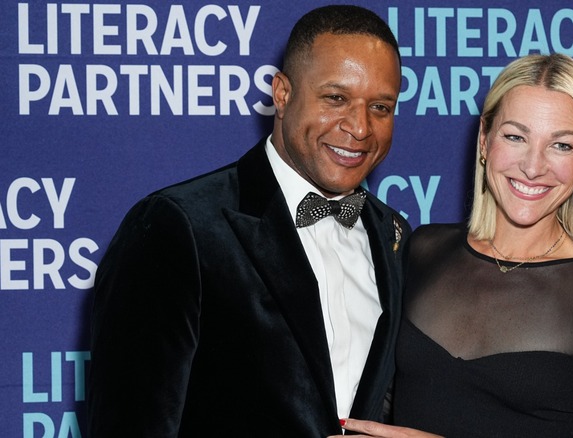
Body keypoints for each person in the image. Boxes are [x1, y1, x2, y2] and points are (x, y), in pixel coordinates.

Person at [87, 5, 411, 437]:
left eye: (381, 107)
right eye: (336, 98)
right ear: (282, 94)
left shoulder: (394, 235)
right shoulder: (178, 227)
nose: (359, 127)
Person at [337, 54, 573, 437]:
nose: (533, 167)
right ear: (485, 140)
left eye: (561, 146)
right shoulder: (425, 249)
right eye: (515, 137)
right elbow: (385, 403)